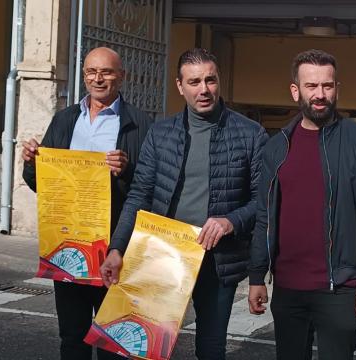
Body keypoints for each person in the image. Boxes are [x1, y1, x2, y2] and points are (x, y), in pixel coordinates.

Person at [100, 48, 268, 360]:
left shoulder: (250, 134)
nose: (203, 89)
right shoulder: (160, 133)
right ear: (180, 86)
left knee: (210, 347)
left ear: (219, 82)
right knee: (142, 344)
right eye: (194, 82)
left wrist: (231, 221)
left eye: (210, 80)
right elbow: (139, 196)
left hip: (217, 259)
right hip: (163, 253)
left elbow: (264, 201)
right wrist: (117, 248)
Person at [247, 49, 356, 360]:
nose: (320, 95)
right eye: (311, 87)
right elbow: (265, 217)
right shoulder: (277, 147)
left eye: (327, 86)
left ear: (337, 88)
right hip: (288, 288)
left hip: (340, 287)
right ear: (295, 90)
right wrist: (257, 277)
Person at [22, 47, 154, 360]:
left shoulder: (140, 124)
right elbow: (42, 185)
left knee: (113, 342)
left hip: (114, 248)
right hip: (68, 248)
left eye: (106, 72)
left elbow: (149, 188)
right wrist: (32, 162)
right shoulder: (65, 119)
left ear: (121, 77)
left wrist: (126, 170)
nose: (98, 78)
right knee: (72, 338)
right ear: (84, 76)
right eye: (91, 72)